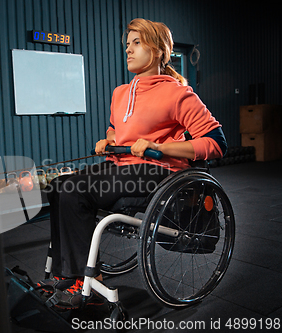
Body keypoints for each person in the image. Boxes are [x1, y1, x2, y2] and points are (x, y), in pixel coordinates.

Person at [37, 18, 227, 310]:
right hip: (122, 165)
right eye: (127, 44)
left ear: (160, 51)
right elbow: (117, 127)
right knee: (60, 185)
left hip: (158, 171)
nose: (128, 50)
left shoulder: (178, 94)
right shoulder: (120, 93)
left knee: (75, 192)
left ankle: (86, 280)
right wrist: (109, 138)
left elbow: (216, 143)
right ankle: (66, 274)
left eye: (137, 43)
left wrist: (160, 147)